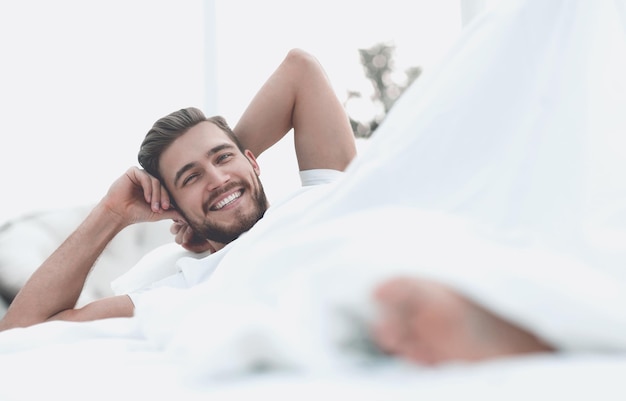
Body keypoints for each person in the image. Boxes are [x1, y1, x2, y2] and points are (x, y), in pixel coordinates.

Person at [0, 48, 552, 366]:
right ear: (175, 208)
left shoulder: (323, 194)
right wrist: (113, 212)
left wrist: (221, 177)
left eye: (223, 159)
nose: (216, 178)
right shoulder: (185, 285)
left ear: (254, 159)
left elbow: (299, 69)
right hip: (326, 294)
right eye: (191, 178)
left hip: (390, 254)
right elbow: (19, 332)